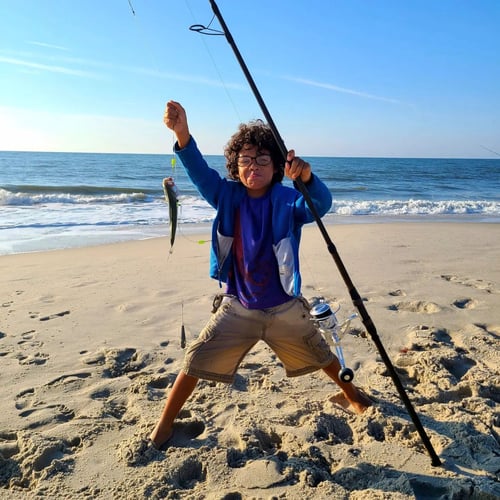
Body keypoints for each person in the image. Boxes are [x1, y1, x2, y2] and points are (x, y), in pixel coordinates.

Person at [150, 100, 371, 449]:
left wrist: (308, 179)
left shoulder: (287, 200)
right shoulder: (225, 195)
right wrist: (182, 135)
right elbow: (197, 171)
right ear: (235, 166)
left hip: (283, 306)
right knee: (193, 360)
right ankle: (163, 426)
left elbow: (321, 205)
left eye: (263, 160)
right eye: (246, 160)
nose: (253, 166)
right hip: (237, 307)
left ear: (277, 166)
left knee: (322, 355)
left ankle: (353, 394)